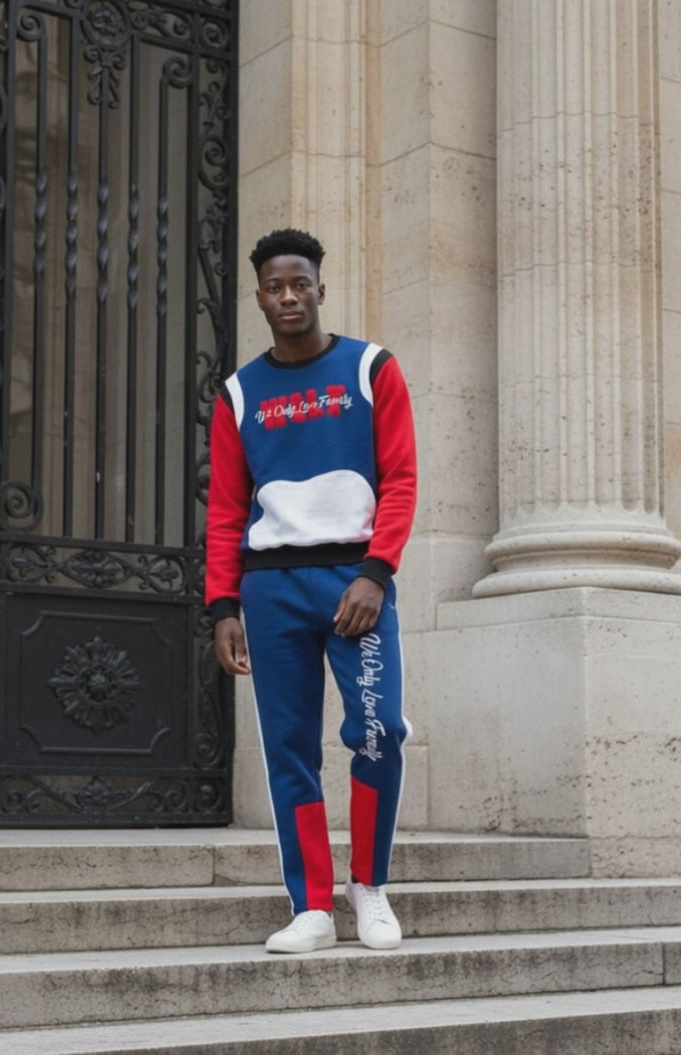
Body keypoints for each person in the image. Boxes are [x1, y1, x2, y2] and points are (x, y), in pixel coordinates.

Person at [205, 228, 417, 953]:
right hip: (271, 588)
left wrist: (375, 573)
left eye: (300, 284)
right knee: (288, 748)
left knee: (379, 731)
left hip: (354, 581)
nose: (289, 296)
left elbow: (401, 480)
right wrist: (223, 605)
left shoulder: (371, 368)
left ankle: (369, 887)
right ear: (260, 297)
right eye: (275, 287)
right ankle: (312, 908)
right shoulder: (239, 394)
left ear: (320, 289)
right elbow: (226, 510)